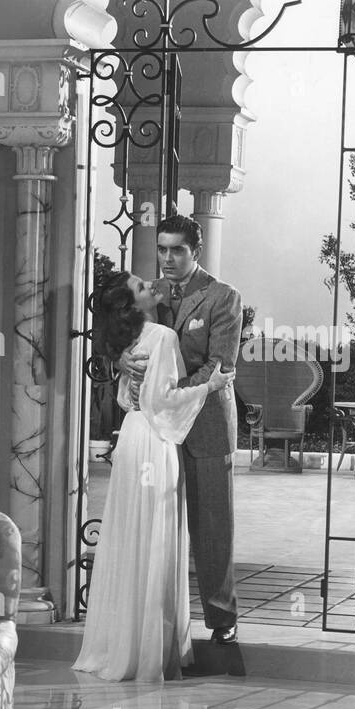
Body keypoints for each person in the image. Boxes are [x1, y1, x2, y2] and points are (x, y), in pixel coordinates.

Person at [74, 271, 234, 682]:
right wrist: (209, 385)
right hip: (157, 437)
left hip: (132, 438)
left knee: (131, 536)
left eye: (175, 250)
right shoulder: (160, 333)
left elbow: (137, 393)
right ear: (135, 303)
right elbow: (163, 399)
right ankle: (151, 647)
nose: (153, 283)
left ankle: (124, 641)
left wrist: (122, 355)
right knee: (157, 538)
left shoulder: (213, 300)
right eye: (143, 287)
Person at [120, 214, 243, 644]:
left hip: (205, 425)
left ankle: (221, 622)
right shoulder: (147, 292)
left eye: (178, 250)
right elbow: (120, 339)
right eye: (162, 248)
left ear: (197, 250)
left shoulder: (222, 297)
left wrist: (164, 395)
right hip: (156, 436)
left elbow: (220, 366)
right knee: (158, 526)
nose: (167, 258)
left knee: (212, 524)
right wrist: (123, 362)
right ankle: (161, 625)